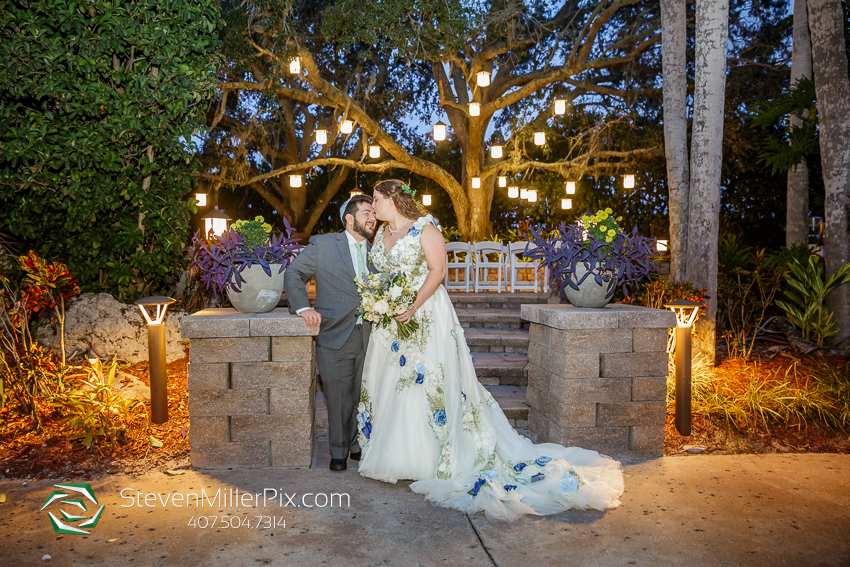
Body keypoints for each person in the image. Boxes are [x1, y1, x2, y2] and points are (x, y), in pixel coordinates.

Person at [355, 179, 624, 520]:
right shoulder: (380, 235)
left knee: (429, 382)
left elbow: (438, 272)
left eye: (376, 199)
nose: (373, 206)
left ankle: (438, 455)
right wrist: (381, 300)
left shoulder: (424, 227)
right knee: (394, 383)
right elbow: (381, 275)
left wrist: (410, 306)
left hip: (424, 315)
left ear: (393, 199)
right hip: (391, 322)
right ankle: (398, 455)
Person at [284, 195, 377, 471]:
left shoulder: (380, 250)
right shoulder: (323, 245)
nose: (372, 217)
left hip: (373, 336)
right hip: (335, 333)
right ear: (349, 219)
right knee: (337, 395)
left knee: (363, 394)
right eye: (366, 213)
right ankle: (338, 451)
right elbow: (294, 273)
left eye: (374, 212)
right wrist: (303, 308)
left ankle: (356, 443)